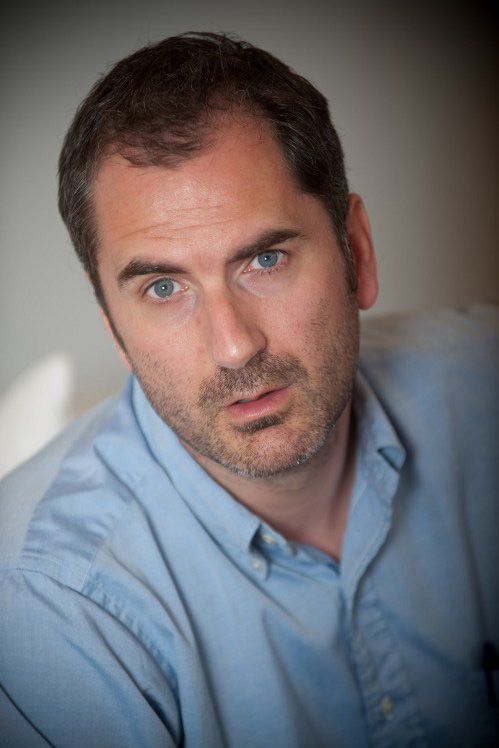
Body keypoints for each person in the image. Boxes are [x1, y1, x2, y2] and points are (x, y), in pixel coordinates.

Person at [0, 31, 498, 748]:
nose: (234, 345)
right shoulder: (49, 602)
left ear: (356, 250)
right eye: (163, 287)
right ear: (110, 318)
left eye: (264, 259)